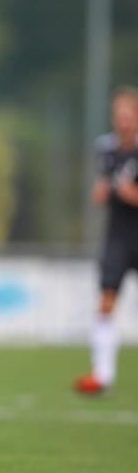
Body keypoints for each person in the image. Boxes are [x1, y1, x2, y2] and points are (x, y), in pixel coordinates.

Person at [74, 86, 138, 394]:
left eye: (129, 115)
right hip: (118, 237)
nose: (124, 121)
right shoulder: (107, 149)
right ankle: (102, 376)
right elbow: (101, 188)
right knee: (106, 302)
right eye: (119, 115)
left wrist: (133, 196)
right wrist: (100, 193)